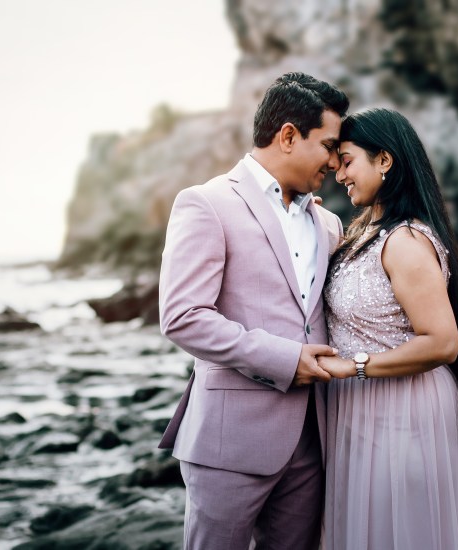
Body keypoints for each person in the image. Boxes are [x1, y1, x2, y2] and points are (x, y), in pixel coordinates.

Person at [157, 72, 349, 550]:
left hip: (313, 438)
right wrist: (285, 359)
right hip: (230, 442)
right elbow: (183, 316)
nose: (334, 162)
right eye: (328, 146)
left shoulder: (327, 222)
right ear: (288, 136)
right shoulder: (207, 203)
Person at [317, 108, 458, 549]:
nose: (338, 174)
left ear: (384, 160)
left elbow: (442, 343)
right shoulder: (362, 235)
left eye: (347, 161)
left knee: (401, 530)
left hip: (405, 407)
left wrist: (354, 366)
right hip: (362, 406)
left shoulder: (404, 241)